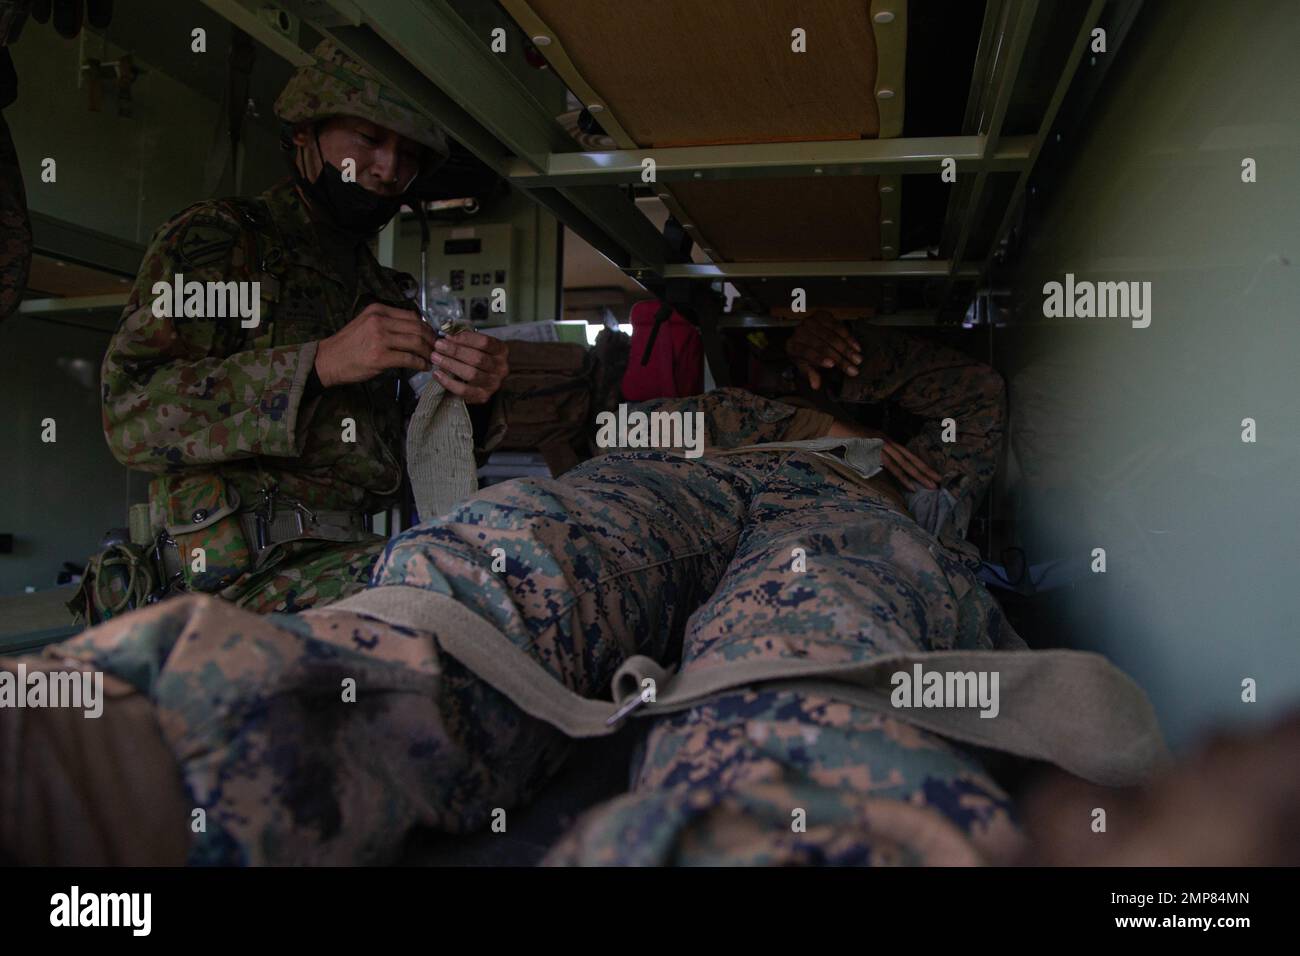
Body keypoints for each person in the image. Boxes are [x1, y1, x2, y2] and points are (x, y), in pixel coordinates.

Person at [1, 317, 1165, 866]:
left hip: (845, 514)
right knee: (510, 554)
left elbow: (968, 382)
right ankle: (146, 749)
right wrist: (796, 365)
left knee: (822, 632)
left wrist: (863, 388)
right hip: (689, 481)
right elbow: (616, 436)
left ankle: (786, 831)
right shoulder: (722, 404)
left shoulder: (942, 447)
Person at [70, 40, 509, 622]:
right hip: (227, 583)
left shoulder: (381, 287)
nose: (387, 170)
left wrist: (468, 401)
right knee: (457, 591)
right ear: (306, 132)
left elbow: (390, 467)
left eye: (409, 156)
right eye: (369, 140)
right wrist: (319, 364)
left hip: (338, 561)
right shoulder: (222, 241)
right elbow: (131, 414)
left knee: (503, 568)